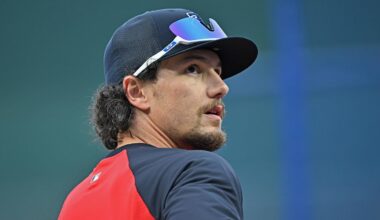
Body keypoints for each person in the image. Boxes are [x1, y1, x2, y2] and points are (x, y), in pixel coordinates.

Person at [58, 8, 257, 220]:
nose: (221, 87)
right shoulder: (192, 172)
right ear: (137, 92)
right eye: (193, 69)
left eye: (218, 72)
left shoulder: (76, 200)